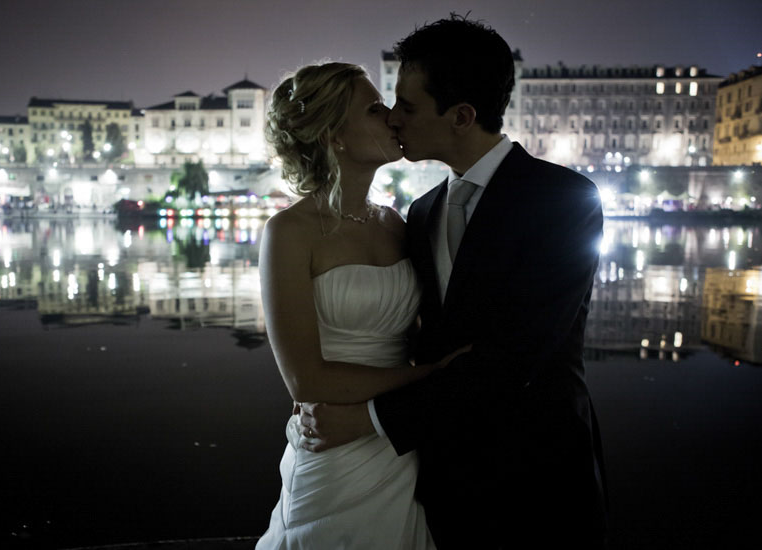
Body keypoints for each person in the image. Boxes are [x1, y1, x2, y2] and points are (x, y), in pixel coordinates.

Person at [298, 16, 608, 549]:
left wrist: (369, 419)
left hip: (537, 477)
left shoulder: (564, 200)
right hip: (441, 475)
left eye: (408, 106)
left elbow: (516, 355)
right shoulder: (421, 212)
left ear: (462, 116)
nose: (394, 118)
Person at [256, 62, 465, 549]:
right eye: (375, 109)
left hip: (399, 446)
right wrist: (430, 375)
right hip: (333, 443)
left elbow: (419, 330)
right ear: (335, 136)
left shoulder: (397, 223)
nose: (394, 117)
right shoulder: (289, 233)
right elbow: (305, 380)